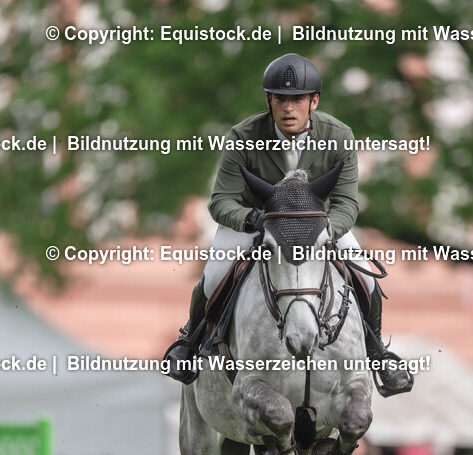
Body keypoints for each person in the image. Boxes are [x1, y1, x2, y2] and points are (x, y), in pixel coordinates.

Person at [163, 53, 412, 396]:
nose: (289, 108)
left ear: (314, 101)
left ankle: (378, 352)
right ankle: (189, 342)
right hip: (255, 225)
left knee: (366, 276)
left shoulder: (339, 136)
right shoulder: (243, 135)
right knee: (215, 272)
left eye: (298, 99)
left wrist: (327, 230)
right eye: (280, 98)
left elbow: (347, 204)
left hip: (317, 227)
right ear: (269, 100)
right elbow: (221, 201)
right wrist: (250, 219)